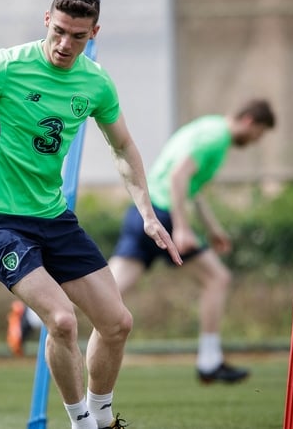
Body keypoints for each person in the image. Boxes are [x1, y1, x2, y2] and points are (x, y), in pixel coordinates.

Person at [0, 0, 181, 429]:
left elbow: (123, 147)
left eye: (78, 36)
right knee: (61, 320)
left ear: (94, 32)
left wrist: (148, 213)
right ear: (47, 19)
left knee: (117, 323)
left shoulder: (95, 82)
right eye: (59, 31)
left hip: (53, 218)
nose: (65, 44)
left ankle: (101, 417)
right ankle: (80, 423)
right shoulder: (5, 66)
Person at [109, 99, 276, 384]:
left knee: (105, 291)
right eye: (258, 134)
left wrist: (212, 227)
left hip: (144, 212)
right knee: (217, 278)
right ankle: (209, 361)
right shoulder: (215, 138)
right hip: (163, 213)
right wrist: (183, 229)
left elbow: (192, 187)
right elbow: (178, 177)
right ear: (249, 121)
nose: (255, 141)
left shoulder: (208, 128)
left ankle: (32, 318)